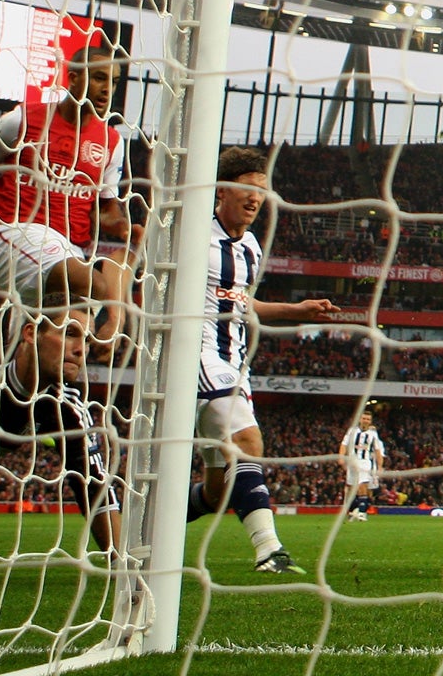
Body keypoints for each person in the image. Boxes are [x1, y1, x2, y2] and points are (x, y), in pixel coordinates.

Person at [185, 146, 339, 573]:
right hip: (198, 356)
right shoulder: (194, 233)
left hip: (235, 362)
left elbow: (242, 304)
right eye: (248, 190)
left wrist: (297, 311)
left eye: (262, 193)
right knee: (250, 443)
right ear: (223, 190)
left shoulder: (250, 246)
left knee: (217, 494)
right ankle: (270, 551)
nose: (256, 200)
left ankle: (130, 523)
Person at [0, 46, 142, 350]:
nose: (107, 89)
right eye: (98, 78)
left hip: (69, 250)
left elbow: (104, 209)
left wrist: (123, 228)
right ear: (73, 77)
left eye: (115, 81)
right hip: (14, 233)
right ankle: (114, 322)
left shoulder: (112, 142)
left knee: (44, 356)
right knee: (94, 284)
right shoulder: (23, 118)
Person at [0, 293, 120, 556]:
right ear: (31, 333)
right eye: (69, 333)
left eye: (87, 340)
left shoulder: (68, 408)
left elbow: (95, 487)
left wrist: (125, 568)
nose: (81, 350)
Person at [339, 408, 384, 522]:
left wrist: (380, 466)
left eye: (368, 419)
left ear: (370, 421)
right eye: (364, 418)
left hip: (365, 463)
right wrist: (341, 457)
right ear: (360, 419)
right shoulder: (352, 431)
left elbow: (378, 451)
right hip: (352, 462)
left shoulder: (373, 434)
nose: (365, 420)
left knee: (363, 486)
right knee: (350, 488)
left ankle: (362, 513)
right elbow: (344, 444)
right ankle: (351, 511)